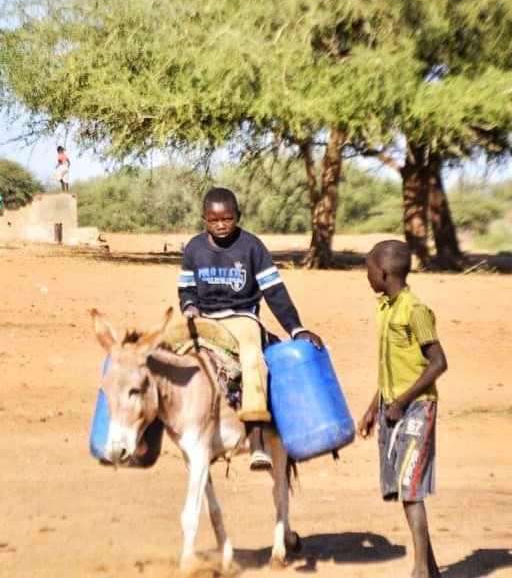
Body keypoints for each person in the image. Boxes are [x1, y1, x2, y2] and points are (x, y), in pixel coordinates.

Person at [178, 187, 322, 470]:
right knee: (167, 355)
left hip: (242, 317)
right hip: (205, 318)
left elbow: (275, 292)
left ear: (238, 217)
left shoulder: (252, 247)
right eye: (214, 220)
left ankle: (256, 439)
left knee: (252, 359)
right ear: (204, 219)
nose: (221, 225)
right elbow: (186, 289)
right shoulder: (194, 249)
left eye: (227, 219)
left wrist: (296, 329)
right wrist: (190, 308)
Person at [357, 239, 447, 578]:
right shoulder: (386, 308)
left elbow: (438, 363)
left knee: (411, 490)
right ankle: (431, 569)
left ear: (382, 272)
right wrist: (373, 408)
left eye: (367, 270)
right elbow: (389, 370)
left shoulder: (415, 309)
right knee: (405, 490)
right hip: (392, 407)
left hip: (417, 410)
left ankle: (421, 571)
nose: (366, 277)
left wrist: (402, 401)